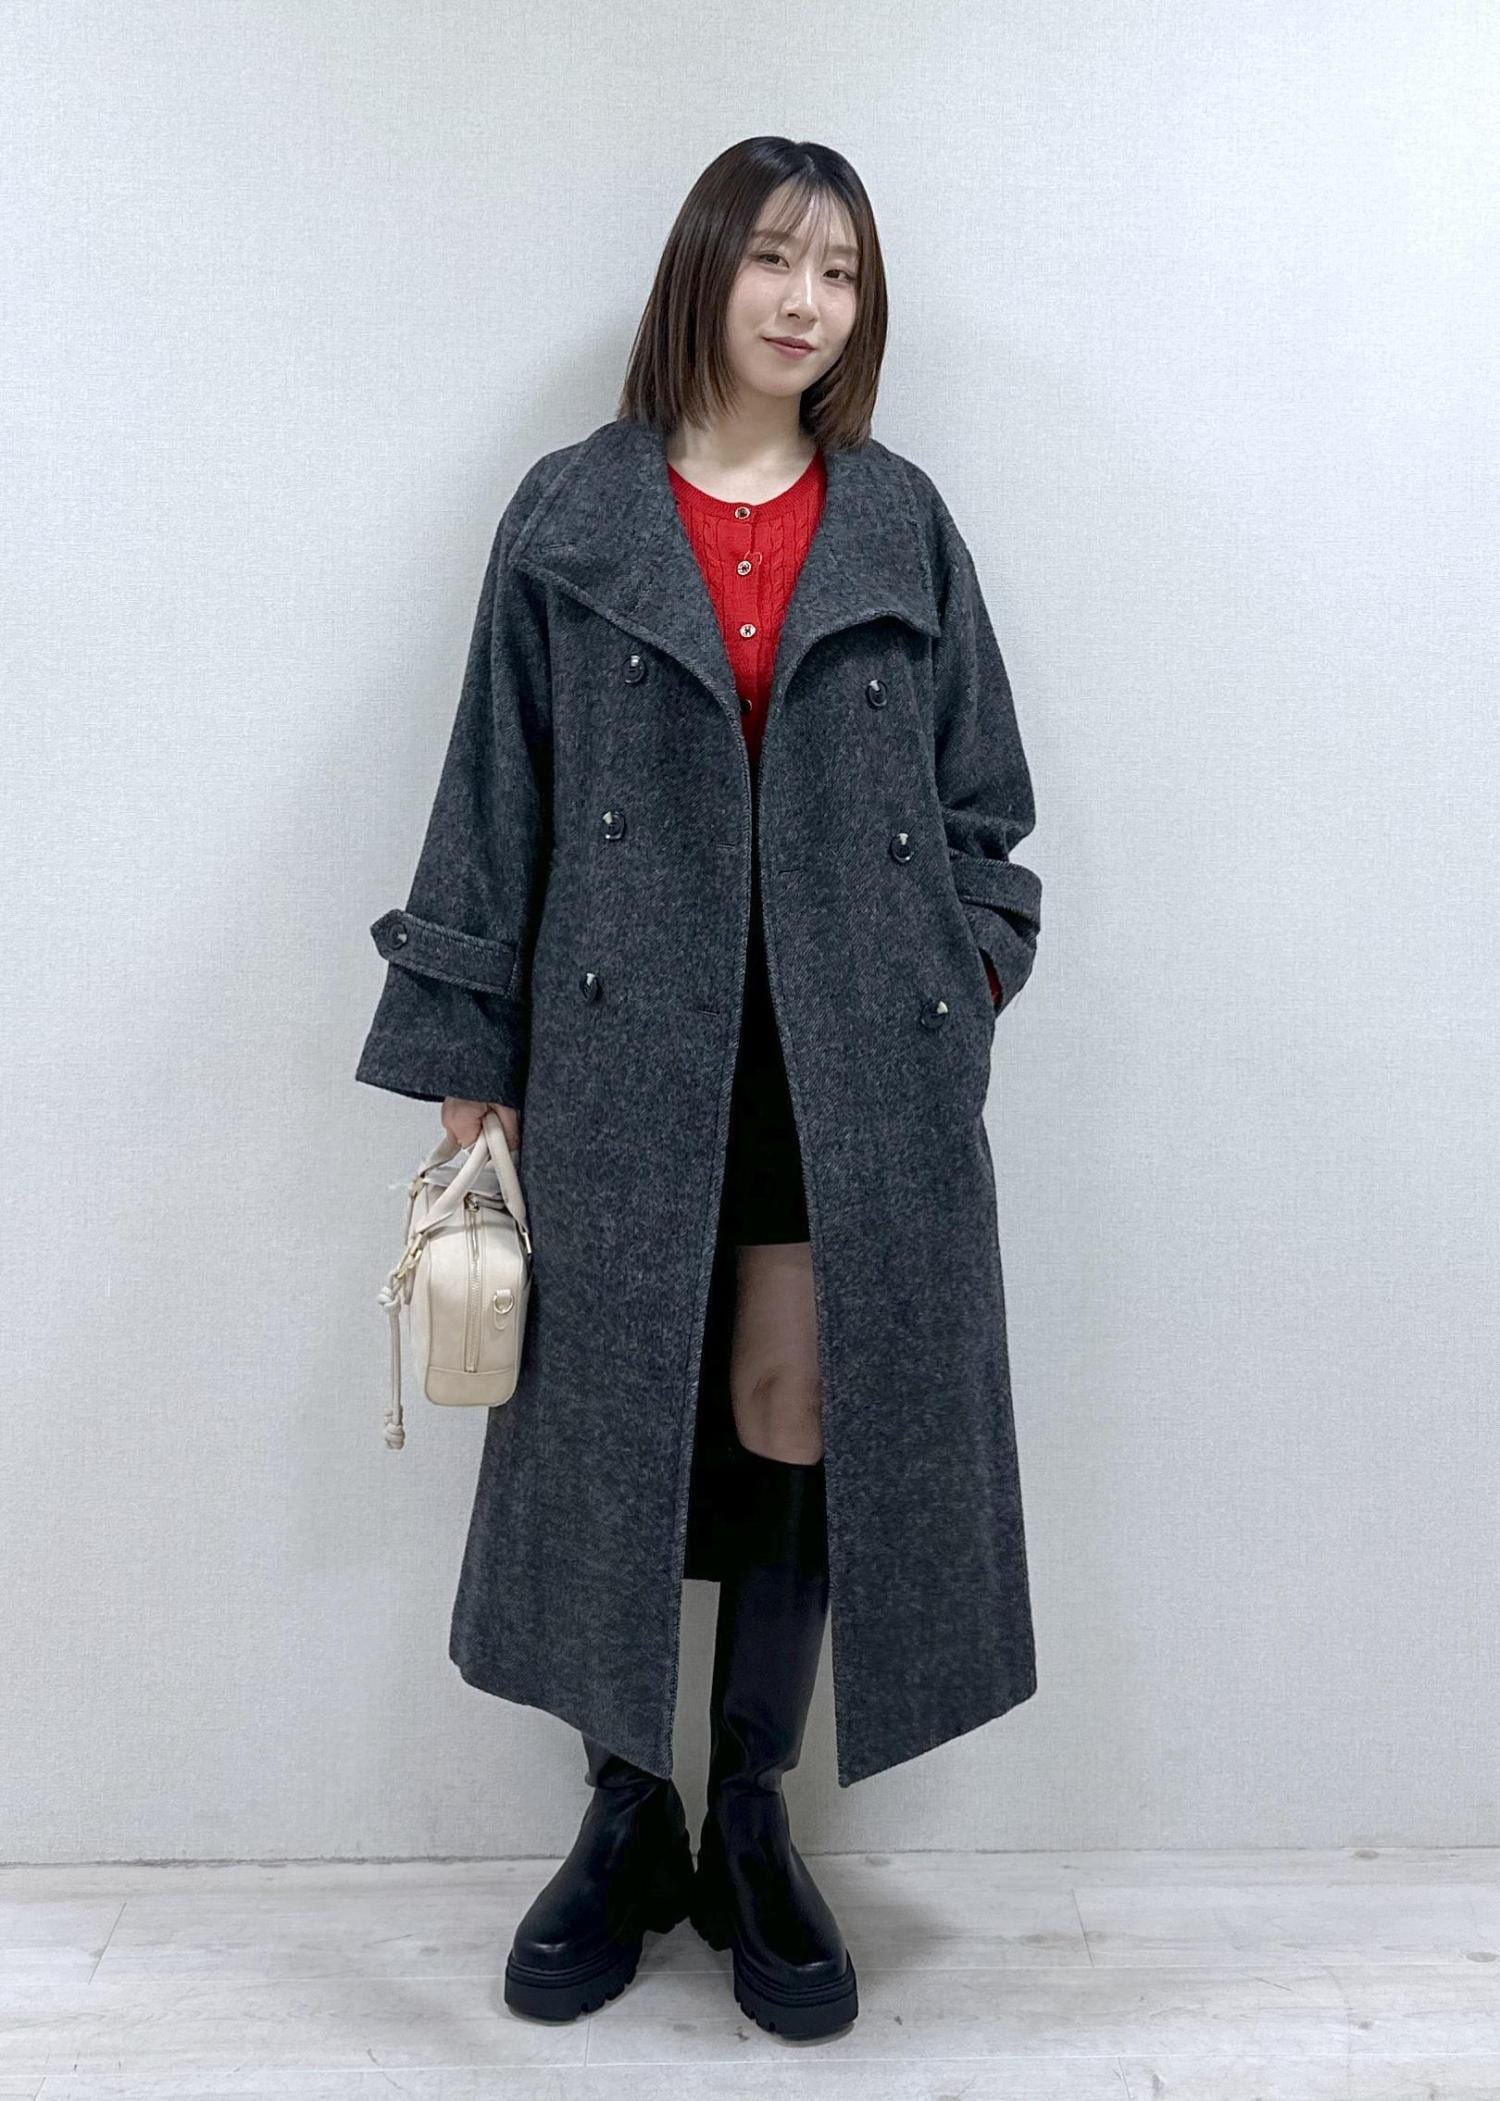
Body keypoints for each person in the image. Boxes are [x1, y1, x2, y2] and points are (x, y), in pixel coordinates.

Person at [358, 135, 1039, 2044]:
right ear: (705, 273)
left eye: (841, 271)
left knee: (795, 1413)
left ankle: (750, 1814)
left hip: (849, 1066)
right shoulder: (574, 510)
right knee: (617, 1427)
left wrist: (964, 977)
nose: (807, 302)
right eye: (774, 260)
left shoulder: (898, 518)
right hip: (620, 1052)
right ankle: (621, 1817)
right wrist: (470, 1057)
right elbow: (492, 788)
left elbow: (986, 806)